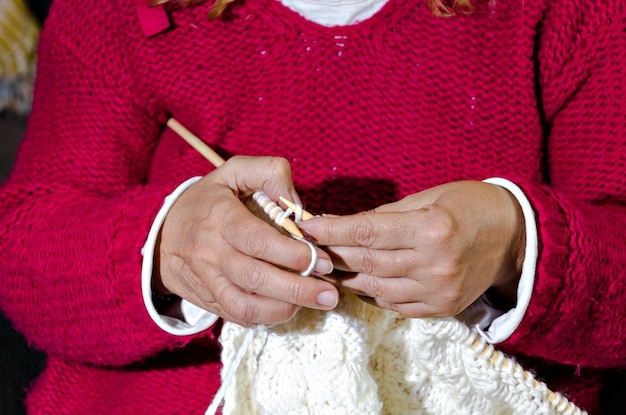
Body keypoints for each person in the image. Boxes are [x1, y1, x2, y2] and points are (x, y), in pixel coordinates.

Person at [0, 0, 623, 413]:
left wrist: (518, 245)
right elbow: (23, 249)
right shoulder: (115, 15)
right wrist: (167, 251)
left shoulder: (571, 13)